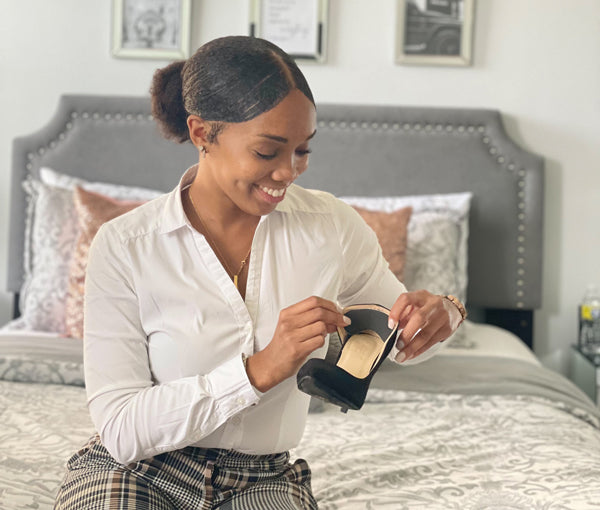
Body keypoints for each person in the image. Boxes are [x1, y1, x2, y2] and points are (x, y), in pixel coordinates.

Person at [55, 35, 464, 510]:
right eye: (268, 153)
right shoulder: (126, 246)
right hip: (138, 471)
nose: (289, 172)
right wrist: (259, 370)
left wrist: (444, 314)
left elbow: (402, 343)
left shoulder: (331, 227)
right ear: (203, 133)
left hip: (263, 479)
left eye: (303, 151)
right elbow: (123, 430)